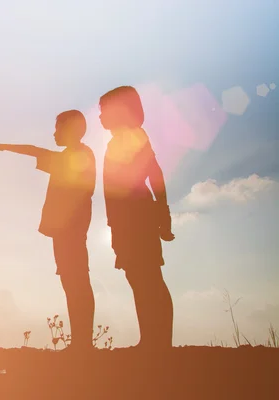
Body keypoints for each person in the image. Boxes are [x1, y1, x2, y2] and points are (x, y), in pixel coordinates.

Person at [0, 110, 96, 351]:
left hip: (70, 230)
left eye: (58, 128)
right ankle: (81, 342)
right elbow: (37, 151)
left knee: (76, 281)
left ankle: (83, 343)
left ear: (70, 130)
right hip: (66, 229)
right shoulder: (74, 155)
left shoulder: (79, 156)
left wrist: (3, 146)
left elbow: (35, 151)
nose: (54, 133)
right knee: (71, 280)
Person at [98, 85, 175, 350]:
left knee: (149, 277)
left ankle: (160, 342)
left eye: (103, 110)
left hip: (137, 217)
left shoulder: (134, 136)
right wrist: (113, 224)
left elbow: (155, 174)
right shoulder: (117, 141)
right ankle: (151, 340)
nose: (99, 117)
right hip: (125, 219)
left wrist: (163, 213)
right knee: (138, 277)